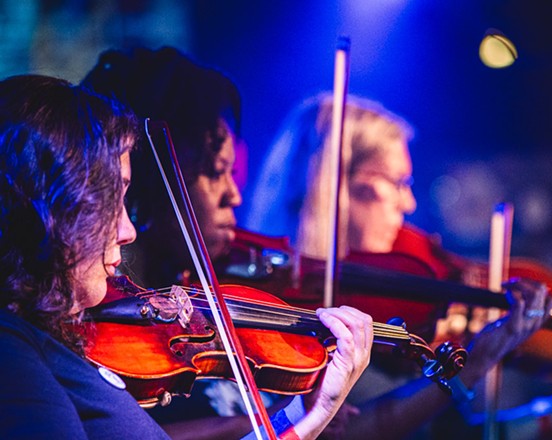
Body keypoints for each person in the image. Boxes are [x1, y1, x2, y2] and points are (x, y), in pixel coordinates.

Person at [246, 94, 552, 439]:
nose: (409, 205)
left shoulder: (410, 307)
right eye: (399, 182)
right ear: (337, 182)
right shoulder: (273, 316)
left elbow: (481, 435)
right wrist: (474, 364)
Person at [0, 74, 373, 440]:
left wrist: (309, 414)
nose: (126, 230)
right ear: (50, 210)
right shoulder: (12, 354)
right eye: (109, 199)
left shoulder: (55, 345)